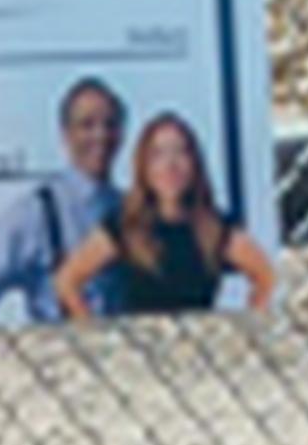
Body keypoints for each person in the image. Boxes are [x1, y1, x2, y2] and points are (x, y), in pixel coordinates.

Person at [0, 74, 126, 329]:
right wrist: (9, 360)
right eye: (87, 125)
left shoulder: (132, 210)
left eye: (110, 124)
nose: (100, 136)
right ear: (66, 135)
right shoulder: (38, 212)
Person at [54, 110, 278, 322]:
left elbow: (265, 276)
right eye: (158, 155)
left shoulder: (214, 228)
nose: (171, 165)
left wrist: (249, 327)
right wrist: (96, 334)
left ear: (194, 163)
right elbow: (67, 281)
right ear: (144, 166)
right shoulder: (125, 226)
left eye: (180, 152)